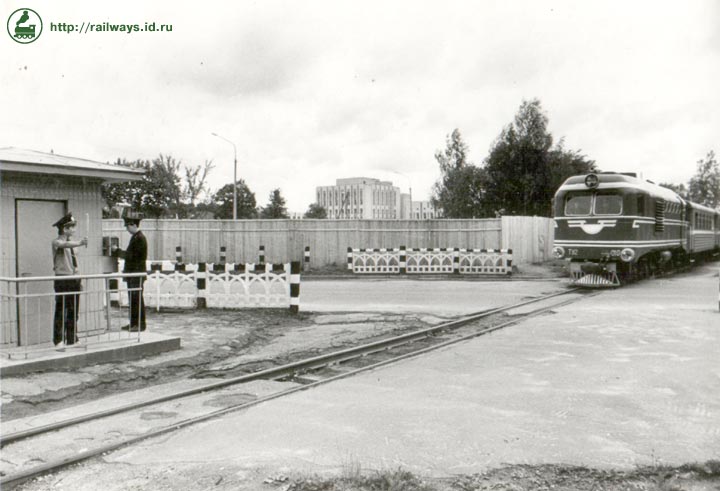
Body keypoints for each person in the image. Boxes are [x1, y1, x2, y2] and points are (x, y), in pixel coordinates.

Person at [52, 212, 88, 347]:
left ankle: (72, 339)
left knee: (74, 310)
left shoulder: (72, 244)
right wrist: (79, 243)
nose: (74, 229)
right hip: (62, 279)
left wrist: (79, 280)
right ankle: (58, 340)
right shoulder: (57, 242)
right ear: (64, 229)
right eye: (71, 227)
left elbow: (75, 263)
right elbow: (62, 245)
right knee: (61, 310)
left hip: (73, 279)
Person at [112, 211, 148, 331]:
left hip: (136, 274)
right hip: (134, 274)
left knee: (136, 299)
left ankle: (139, 324)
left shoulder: (139, 238)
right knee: (133, 299)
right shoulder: (137, 237)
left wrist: (117, 251)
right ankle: (134, 323)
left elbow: (130, 256)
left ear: (133, 224)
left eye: (127, 226)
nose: (127, 229)